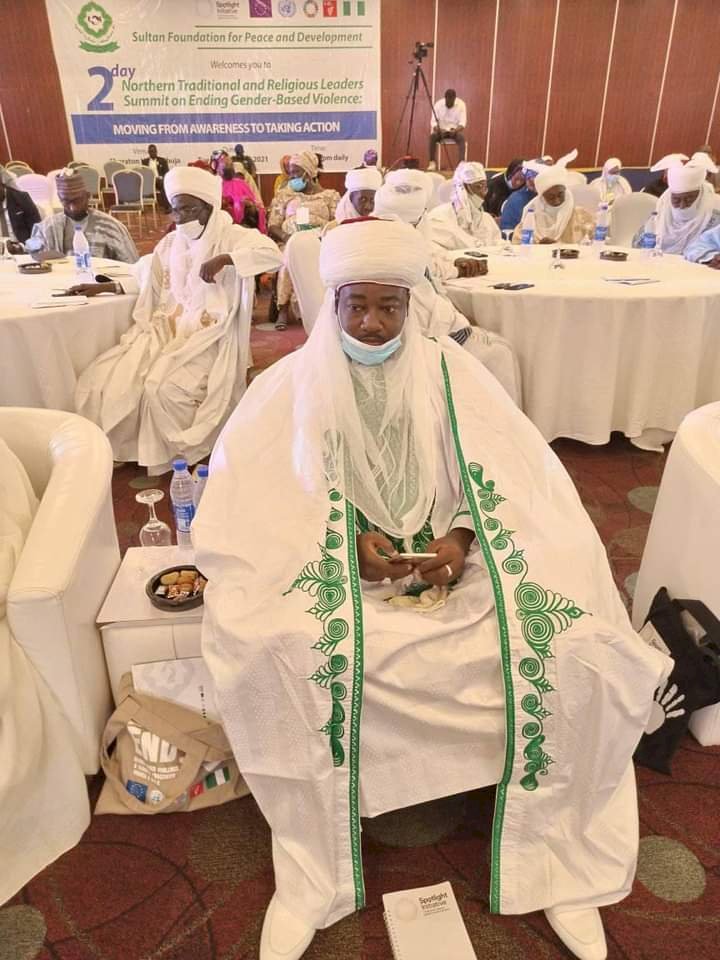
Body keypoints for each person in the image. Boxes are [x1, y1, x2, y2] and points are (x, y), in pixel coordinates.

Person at [193, 216, 670, 960]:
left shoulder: (458, 374)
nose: (372, 323)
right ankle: (312, 868)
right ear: (333, 302)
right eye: (356, 304)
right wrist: (347, 543)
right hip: (332, 565)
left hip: (453, 556)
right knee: (276, 646)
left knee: (575, 642)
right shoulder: (287, 384)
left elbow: (516, 482)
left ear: (414, 306)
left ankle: (556, 857)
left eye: (390, 306)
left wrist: (460, 538)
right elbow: (255, 505)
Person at [72, 165, 282, 473]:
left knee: (161, 388)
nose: (180, 218)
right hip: (165, 329)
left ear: (208, 207)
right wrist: (105, 286)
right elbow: (149, 281)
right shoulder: (171, 244)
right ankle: (129, 448)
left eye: (188, 209)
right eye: (176, 210)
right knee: (109, 377)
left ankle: (179, 452)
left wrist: (226, 259)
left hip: (208, 336)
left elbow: (272, 254)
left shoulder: (232, 236)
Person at [373, 183, 521, 403]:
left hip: (433, 333)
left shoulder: (386, 243)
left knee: (499, 346)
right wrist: (461, 322)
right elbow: (426, 319)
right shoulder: (392, 261)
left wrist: (458, 268)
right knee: (500, 354)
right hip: (422, 350)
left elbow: (431, 269)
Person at [268, 150, 340, 329]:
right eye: (290, 173)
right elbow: (273, 226)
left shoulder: (330, 196)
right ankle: (283, 309)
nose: (292, 177)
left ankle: (321, 307)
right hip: (289, 241)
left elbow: (336, 223)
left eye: (296, 173)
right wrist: (288, 237)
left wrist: (323, 238)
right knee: (288, 257)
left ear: (310, 173)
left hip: (320, 242)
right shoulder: (284, 195)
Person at [19, 169, 138, 263]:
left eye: (77, 200)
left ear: (87, 196)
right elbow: (32, 252)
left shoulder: (111, 227)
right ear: (60, 199)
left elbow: (133, 268)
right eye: (66, 201)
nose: (72, 207)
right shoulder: (47, 227)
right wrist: (20, 249)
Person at [633, 158, 720, 254]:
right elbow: (637, 245)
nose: (682, 206)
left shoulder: (714, 221)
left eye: (689, 199)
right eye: (676, 200)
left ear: (700, 198)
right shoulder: (660, 215)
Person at [513, 158, 595, 244]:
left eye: (560, 195)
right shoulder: (532, 216)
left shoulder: (580, 216)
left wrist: (558, 247)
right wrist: (538, 248)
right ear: (542, 198)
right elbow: (517, 245)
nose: (557, 201)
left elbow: (594, 244)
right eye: (550, 197)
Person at [427, 161, 501, 248]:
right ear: (463, 188)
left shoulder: (487, 219)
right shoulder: (438, 217)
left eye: (485, 187)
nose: (483, 193)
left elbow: (498, 245)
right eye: (478, 187)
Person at [212, 149, 266, 232]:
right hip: (223, 227)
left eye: (229, 161)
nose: (229, 164)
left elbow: (258, 205)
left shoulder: (241, 183)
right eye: (224, 162)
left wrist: (249, 204)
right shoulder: (214, 185)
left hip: (245, 225)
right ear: (215, 166)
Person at [499, 159, 547, 232]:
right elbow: (508, 232)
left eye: (536, 175)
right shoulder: (516, 200)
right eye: (529, 174)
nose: (532, 179)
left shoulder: (551, 195)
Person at [428, 88, 466, 171]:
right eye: (448, 101)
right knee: (432, 137)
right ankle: (432, 163)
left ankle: (461, 164)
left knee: (461, 138)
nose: (449, 103)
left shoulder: (461, 104)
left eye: (451, 101)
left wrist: (456, 130)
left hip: (454, 131)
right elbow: (433, 123)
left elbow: (462, 123)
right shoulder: (438, 104)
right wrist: (439, 130)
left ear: (455, 99)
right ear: (445, 98)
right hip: (441, 131)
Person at [0, 175, 40, 244]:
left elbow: (37, 233)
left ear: (1, 183)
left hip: (21, 249)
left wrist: (22, 247)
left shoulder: (21, 198)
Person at [142, 144, 170, 211]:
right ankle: (140, 206)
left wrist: (161, 177)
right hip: (149, 181)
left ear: (156, 151)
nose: (153, 153)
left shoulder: (162, 161)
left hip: (159, 180)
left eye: (154, 151)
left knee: (163, 185)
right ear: (148, 152)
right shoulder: (144, 162)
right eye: (151, 151)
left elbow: (166, 172)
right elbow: (143, 173)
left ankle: (167, 207)